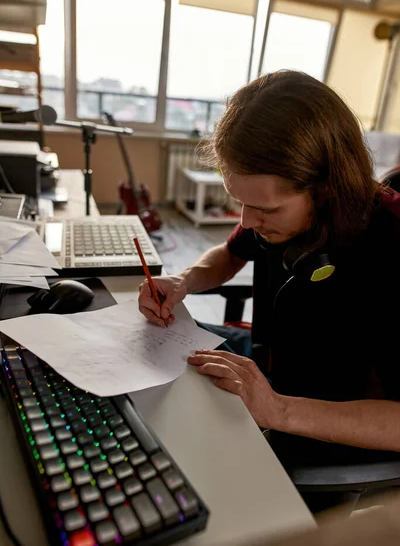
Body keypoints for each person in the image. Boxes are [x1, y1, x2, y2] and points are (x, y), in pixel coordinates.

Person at [138, 70, 400, 513]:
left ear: (327, 189)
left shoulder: (390, 243)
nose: (249, 220)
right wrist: (183, 282)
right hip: (269, 367)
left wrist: (278, 411)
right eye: (240, 202)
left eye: (264, 208)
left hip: (323, 423)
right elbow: (229, 251)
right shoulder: (273, 213)